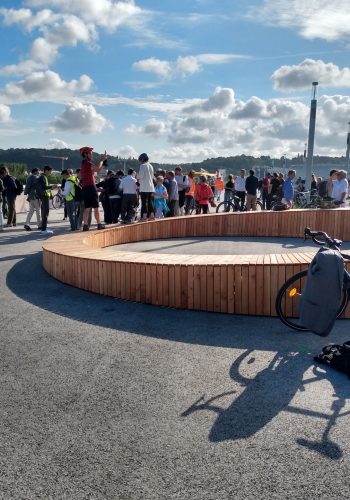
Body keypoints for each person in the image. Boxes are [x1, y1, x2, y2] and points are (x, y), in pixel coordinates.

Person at [79, 146, 107, 231]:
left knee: (87, 208)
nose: (92, 155)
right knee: (96, 207)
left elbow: (96, 170)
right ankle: (99, 224)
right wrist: (102, 160)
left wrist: (103, 162)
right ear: (86, 154)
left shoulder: (83, 164)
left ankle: (86, 225)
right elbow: (97, 169)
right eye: (91, 153)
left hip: (85, 187)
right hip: (91, 187)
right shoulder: (88, 163)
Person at [36, 165, 57, 235]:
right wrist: (52, 186)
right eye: (50, 171)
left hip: (43, 197)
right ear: (46, 171)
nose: (50, 173)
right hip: (44, 197)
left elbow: (44, 187)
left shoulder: (43, 177)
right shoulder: (43, 177)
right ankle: (44, 229)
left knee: (44, 213)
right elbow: (44, 187)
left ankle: (43, 228)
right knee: (45, 213)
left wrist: (50, 188)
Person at [138, 153, 155, 221]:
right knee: (150, 201)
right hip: (151, 187)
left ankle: (144, 217)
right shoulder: (151, 166)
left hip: (144, 187)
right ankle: (152, 215)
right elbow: (152, 176)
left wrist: (137, 175)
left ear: (142, 159)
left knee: (144, 202)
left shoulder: (142, 166)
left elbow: (140, 176)